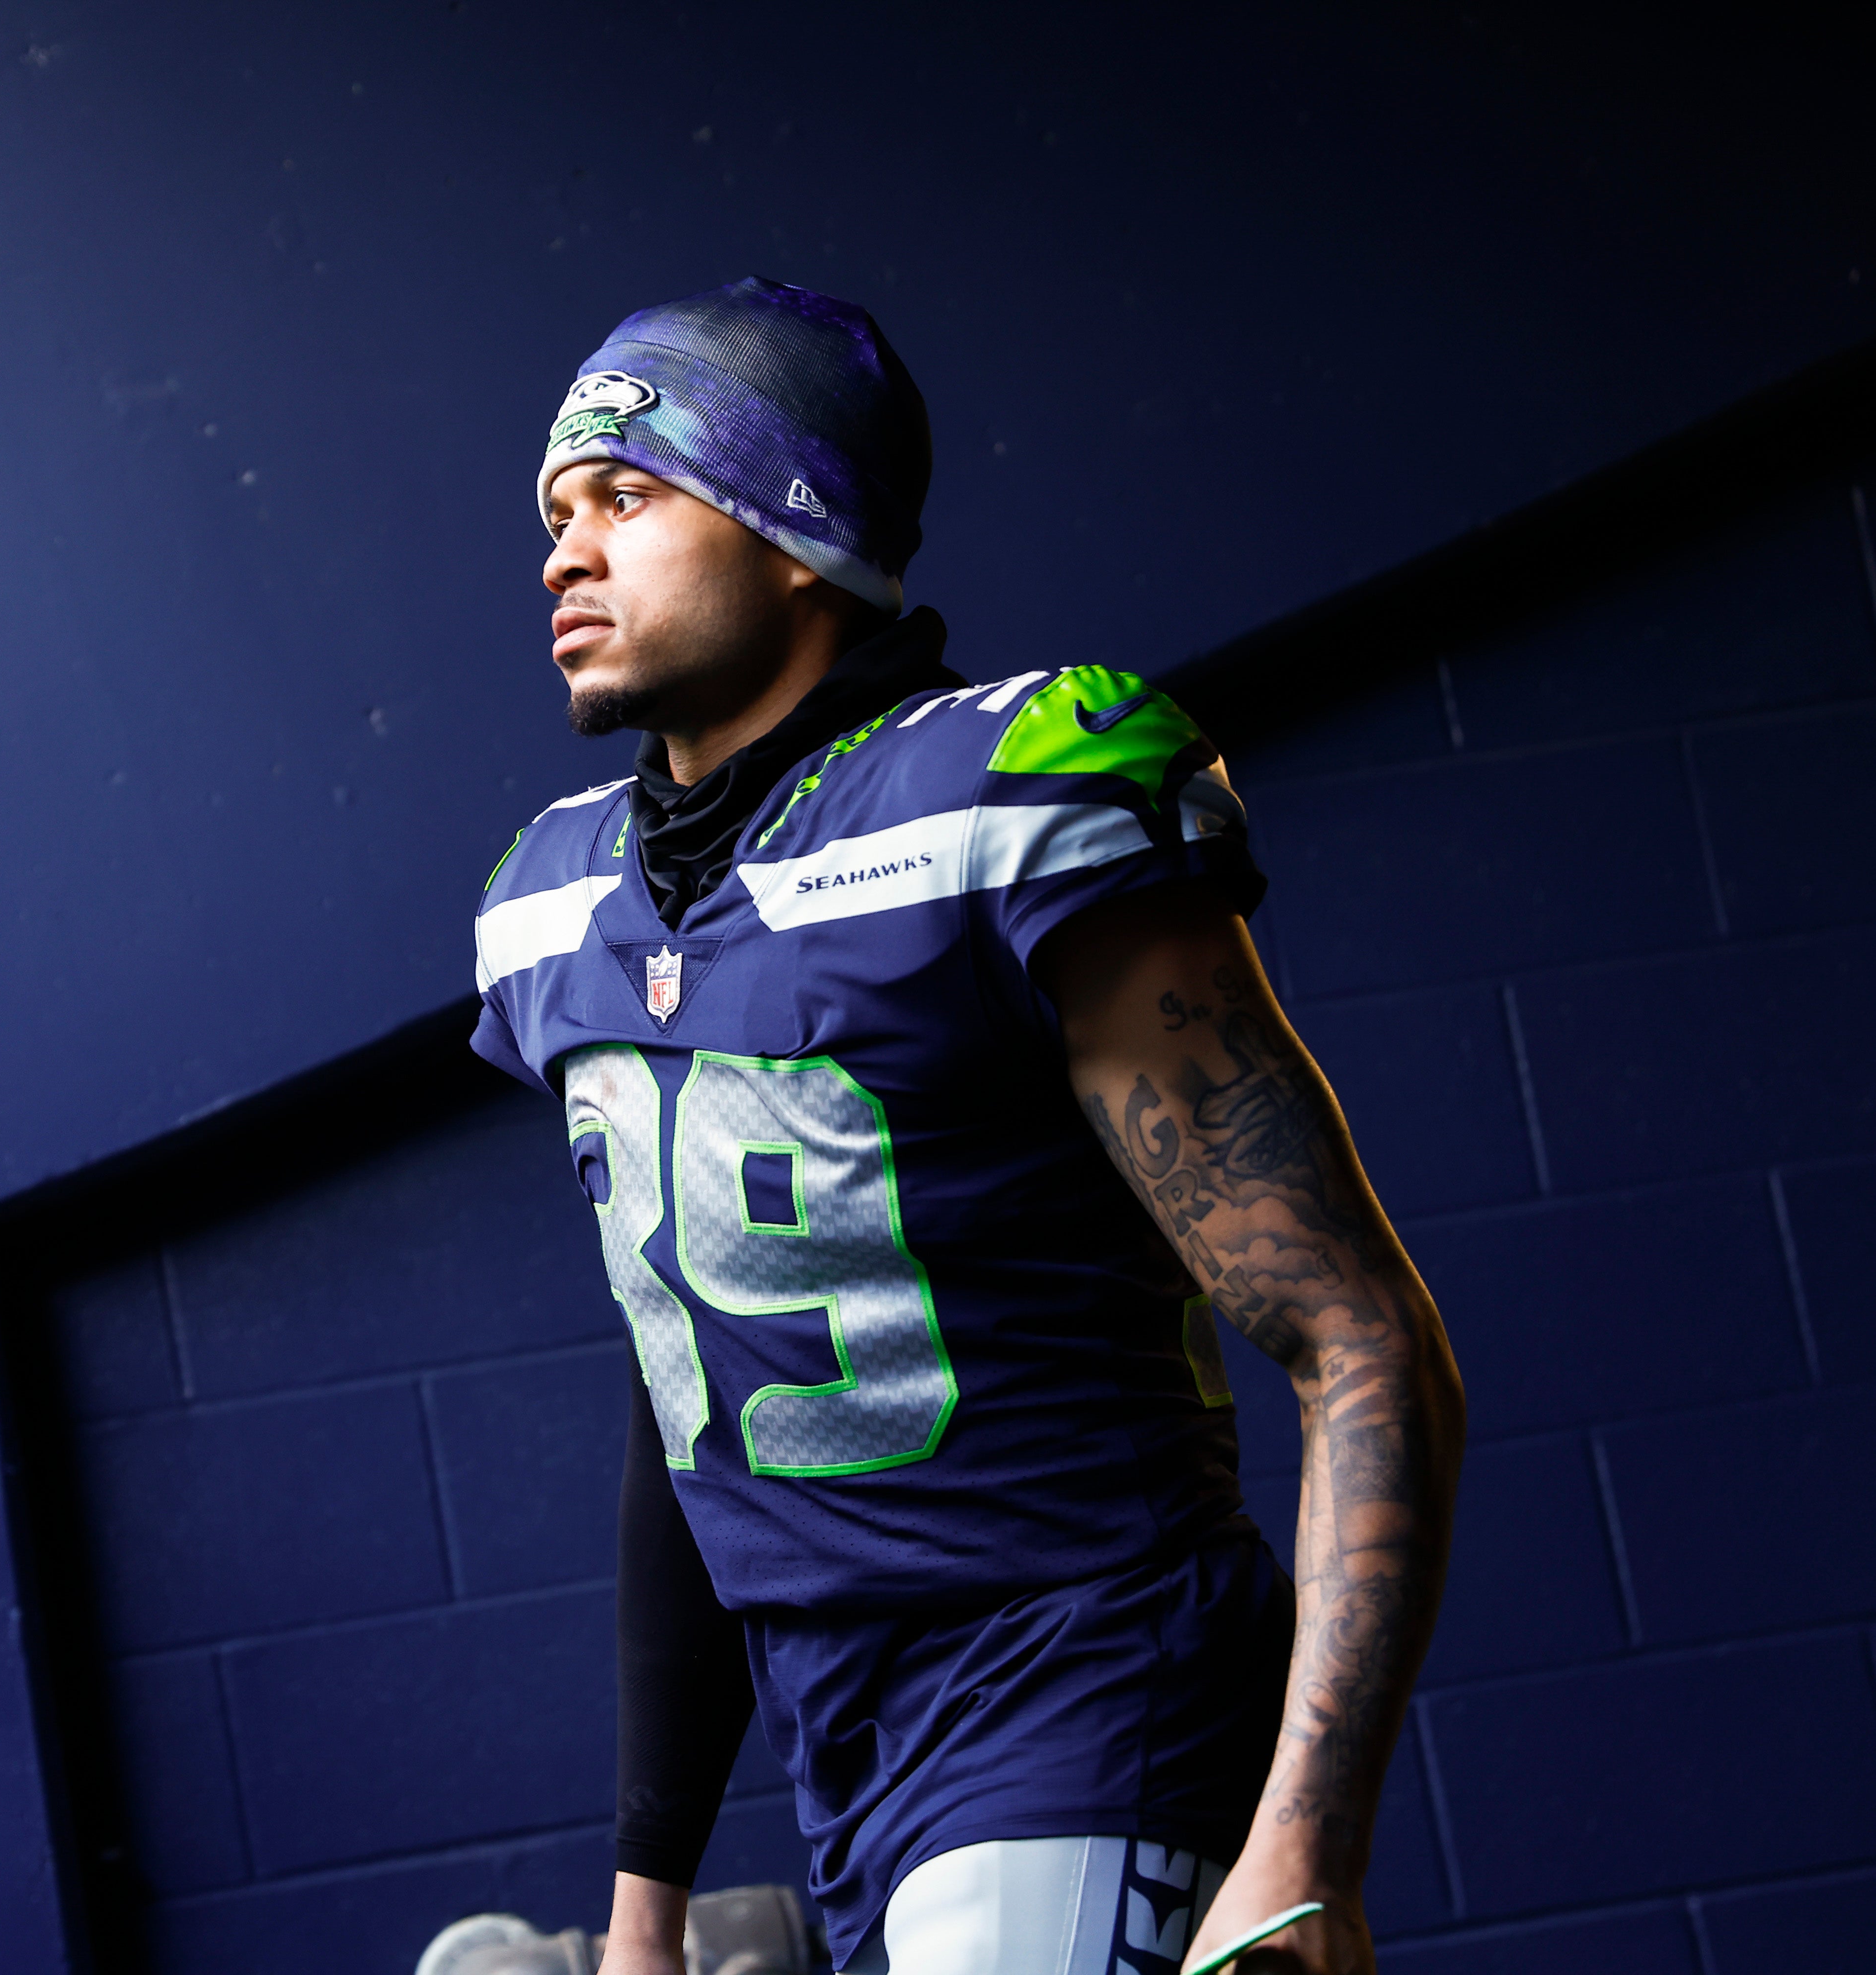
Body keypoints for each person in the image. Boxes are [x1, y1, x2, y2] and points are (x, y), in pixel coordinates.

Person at [469, 278, 1465, 1975]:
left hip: (1090, 1676)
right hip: (843, 1740)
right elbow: (689, 1409)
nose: (566, 553)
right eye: (557, 515)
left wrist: (1310, 1838)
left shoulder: (1004, 795)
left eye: (626, 497)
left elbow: (1357, 1330)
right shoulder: (555, 907)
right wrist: (643, 1916)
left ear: (799, 527)